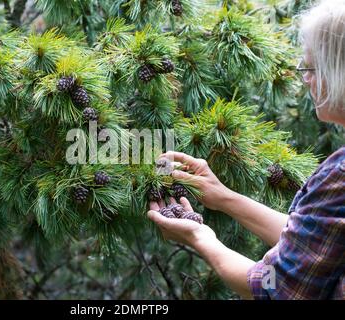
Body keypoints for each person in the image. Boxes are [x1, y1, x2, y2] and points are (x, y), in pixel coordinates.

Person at [148, 0, 345, 300]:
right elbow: (311, 239)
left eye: (310, 67)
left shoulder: (340, 174)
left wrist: (202, 237)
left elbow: (275, 286)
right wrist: (224, 197)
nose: (305, 78)